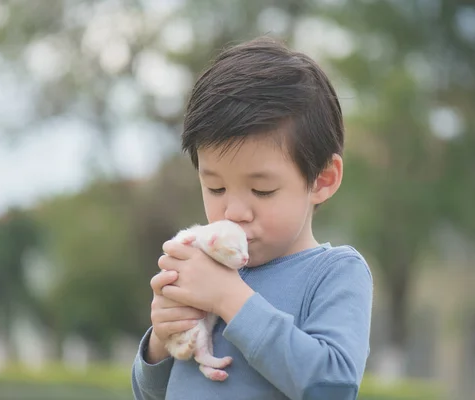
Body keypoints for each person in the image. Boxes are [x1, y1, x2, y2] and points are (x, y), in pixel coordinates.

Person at [131, 36, 373, 400]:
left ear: (322, 180)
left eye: (261, 191)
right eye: (215, 188)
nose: (233, 212)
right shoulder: (205, 265)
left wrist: (230, 298)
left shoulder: (335, 273)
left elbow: (332, 388)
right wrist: (161, 343)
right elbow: (150, 394)